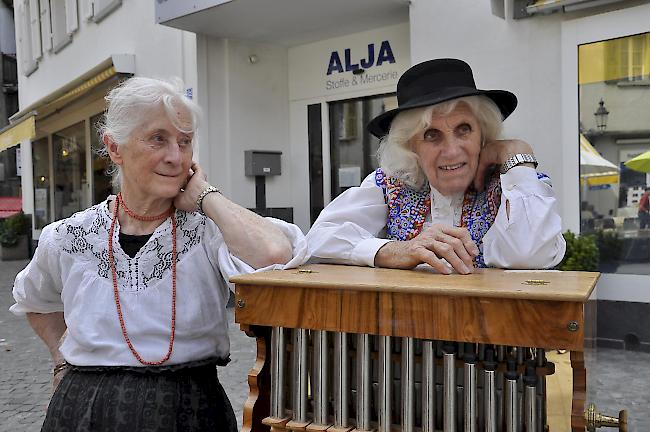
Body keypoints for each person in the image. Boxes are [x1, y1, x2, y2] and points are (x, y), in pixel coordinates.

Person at [10, 77, 308, 431]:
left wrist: (205, 196)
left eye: (185, 142)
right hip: (84, 413)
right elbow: (36, 301)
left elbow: (275, 254)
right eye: (158, 139)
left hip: (187, 411)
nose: (175, 156)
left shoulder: (208, 230)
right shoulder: (68, 236)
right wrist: (61, 360)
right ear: (115, 148)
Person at [306, 58, 565, 274]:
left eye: (464, 130)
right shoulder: (392, 184)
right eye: (431, 135)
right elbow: (318, 239)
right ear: (411, 147)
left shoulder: (515, 183)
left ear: (483, 135)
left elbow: (530, 255)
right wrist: (395, 250)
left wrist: (517, 153)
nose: (451, 150)